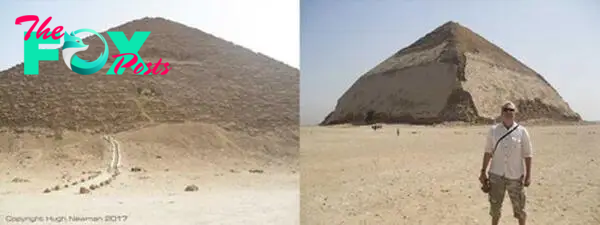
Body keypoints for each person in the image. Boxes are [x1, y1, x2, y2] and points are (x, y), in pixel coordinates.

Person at [479, 101, 533, 225]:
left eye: (511, 110)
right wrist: (483, 172)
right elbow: (488, 152)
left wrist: (529, 175)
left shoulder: (522, 131)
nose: (508, 112)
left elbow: (528, 154)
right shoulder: (493, 130)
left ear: (515, 113)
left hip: (515, 176)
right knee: (495, 209)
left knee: (520, 209)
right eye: (505, 109)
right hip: (496, 175)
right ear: (501, 112)